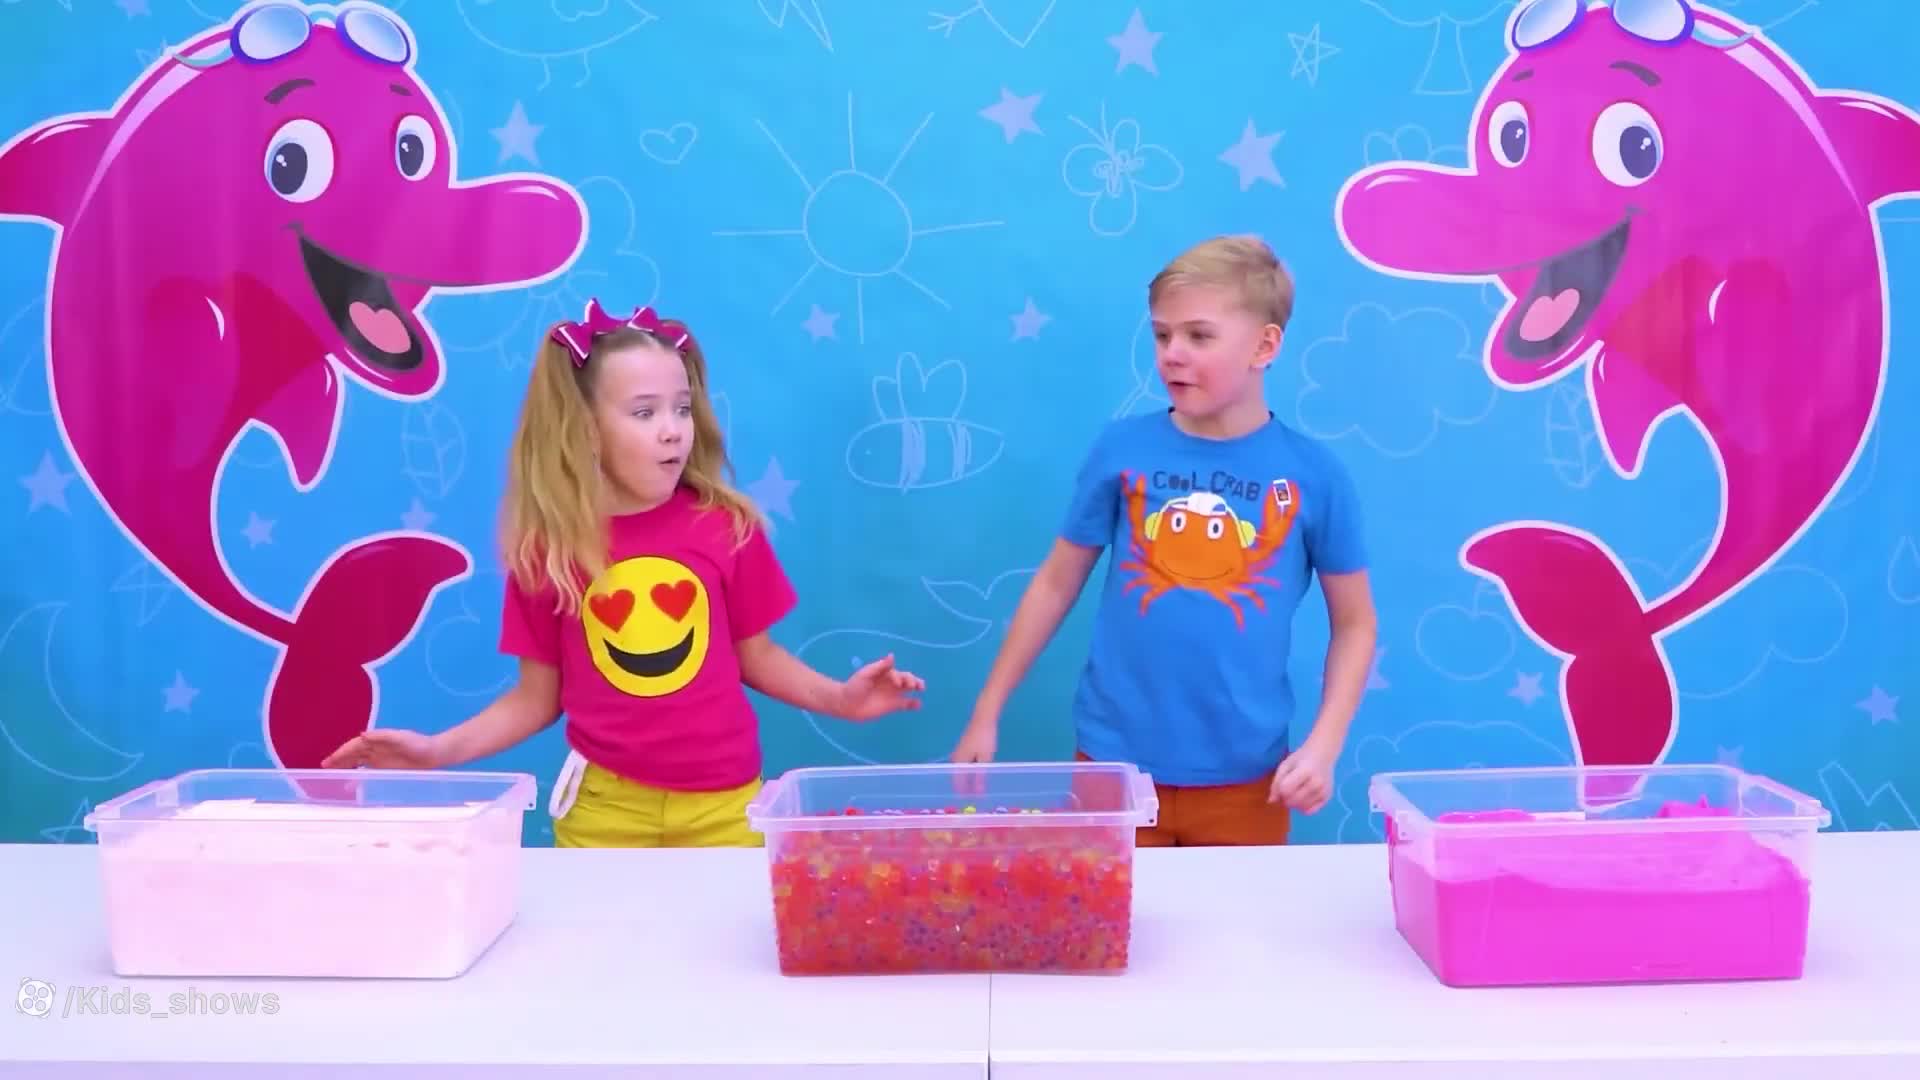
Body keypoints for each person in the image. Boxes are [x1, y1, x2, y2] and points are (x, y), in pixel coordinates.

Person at [323, 300, 925, 846]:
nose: (672, 428)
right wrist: (437, 751)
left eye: (682, 408)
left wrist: (840, 700)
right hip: (604, 811)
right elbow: (535, 700)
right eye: (644, 412)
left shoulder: (727, 526)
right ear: (585, 430)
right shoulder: (550, 551)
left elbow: (758, 657)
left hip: (726, 807)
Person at [950, 235, 1376, 845]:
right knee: (1111, 910)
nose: (1172, 354)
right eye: (1161, 335)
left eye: (1199, 336)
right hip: (1112, 770)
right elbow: (1056, 583)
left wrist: (1324, 745)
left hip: (1248, 780)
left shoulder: (1315, 476)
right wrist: (987, 707)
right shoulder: (1122, 450)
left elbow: (1355, 624)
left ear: (1264, 346)